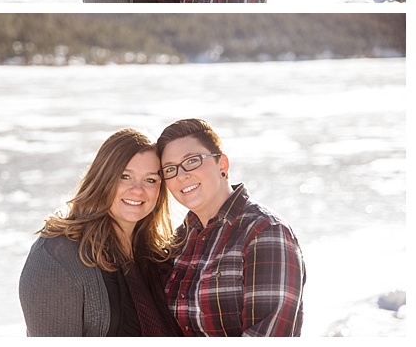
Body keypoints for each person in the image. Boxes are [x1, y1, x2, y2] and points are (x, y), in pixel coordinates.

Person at [18, 129, 179, 336]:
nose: (137, 190)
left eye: (150, 180)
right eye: (125, 176)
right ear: (103, 179)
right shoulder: (57, 255)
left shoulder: (159, 256)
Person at [156, 119, 304, 336]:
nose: (181, 175)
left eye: (192, 161)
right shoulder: (180, 239)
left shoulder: (264, 231)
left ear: (222, 165)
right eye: (170, 169)